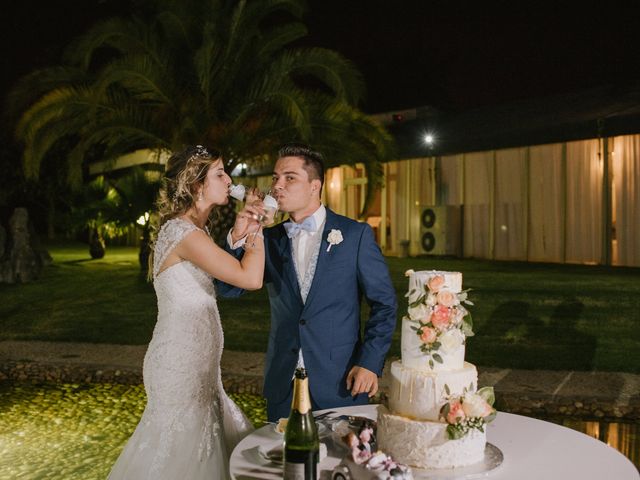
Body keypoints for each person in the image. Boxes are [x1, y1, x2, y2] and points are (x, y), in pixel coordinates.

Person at [108, 145, 265, 480]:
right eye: (220, 174)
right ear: (197, 186)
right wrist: (256, 226)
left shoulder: (196, 231)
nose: (229, 181)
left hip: (200, 367)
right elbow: (249, 278)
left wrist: (239, 231)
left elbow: (215, 265)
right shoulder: (182, 233)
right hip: (180, 366)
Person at [217, 143, 397, 422]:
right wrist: (240, 236)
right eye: (276, 178)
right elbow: (229, 289)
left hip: (341, 383)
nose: (278, 186)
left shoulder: (354, 235)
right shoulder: (269, 238)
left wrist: (369, 363)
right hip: (283, 386)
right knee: (285, 464)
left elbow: (384, 305)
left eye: (290, 178)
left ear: (315, 185)